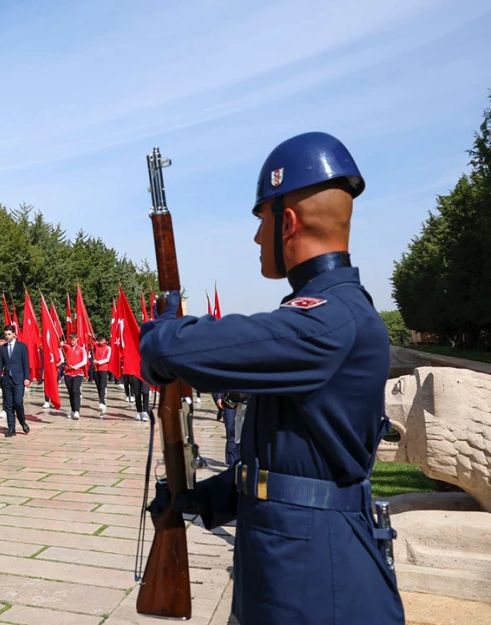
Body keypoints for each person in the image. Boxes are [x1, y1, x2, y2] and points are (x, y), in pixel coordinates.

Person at [140, 132, 403, 624]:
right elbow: (293, 462)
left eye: (260, 221)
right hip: (287, 560)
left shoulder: (333, 319)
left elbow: (187, 349)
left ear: (287, 222)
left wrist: (162, 336)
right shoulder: (323, 315)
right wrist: (205, 500)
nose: (256, 237)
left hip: (315, 578)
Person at [0, 325, 30, 436]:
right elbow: (0, 364)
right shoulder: (3, 348)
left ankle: (22, 421)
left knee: (18, 402)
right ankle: (11, 428)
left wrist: (26, 378)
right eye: (5, 334)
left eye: (9, 334)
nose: (7, 336)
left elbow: (25, 362)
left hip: (18, 379)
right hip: (6, 380)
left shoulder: (21, 346)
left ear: (14, 334)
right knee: (8, 405)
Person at [61, 333, 87, 420]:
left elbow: (84, 361)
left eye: (73, 340)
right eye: (70, 340)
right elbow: (61, 346)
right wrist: (61, 344)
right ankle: (72, 410)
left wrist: (75, 366)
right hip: (68, 373)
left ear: (77, 339)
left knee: (76, 390)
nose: (72, 341)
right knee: (71, 392)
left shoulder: (81, 349)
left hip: (78, 373)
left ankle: (77, 411)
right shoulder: (67, 348)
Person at [92, 335, 112, 413]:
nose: (100, 342)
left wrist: (98, 362)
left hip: (103, 369)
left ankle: (101, 402)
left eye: (101, 340)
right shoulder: (96, 346)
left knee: (102, 386)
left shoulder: (108, 348)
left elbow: (107, 359)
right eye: (99, 340)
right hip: (96, 369)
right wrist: (90, 336)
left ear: (105, 341)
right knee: (98, 386)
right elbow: (91, 342)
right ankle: (102, 399)